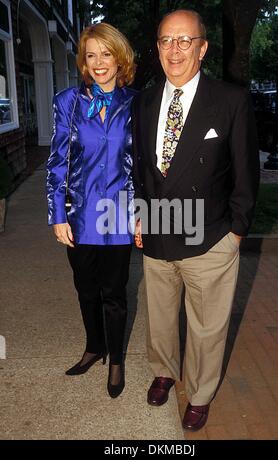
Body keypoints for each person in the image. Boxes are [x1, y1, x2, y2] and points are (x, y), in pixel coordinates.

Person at [132, 9, 260, 430]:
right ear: (157, 47)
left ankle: (201, 393)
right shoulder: (145, 100)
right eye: (166, 40)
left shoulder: (230, 100)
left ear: (202, 48)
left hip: (210, 238)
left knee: (206, 329)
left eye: (185, 40)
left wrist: (236, 232)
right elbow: (140, 169)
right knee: (161, 315)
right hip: (158, 230)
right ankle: (164, 371)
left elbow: (246, 173)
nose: (175, 49)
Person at [46, 23, 136, 398]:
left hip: (118, 213)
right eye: (91, 55)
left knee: (114, 292)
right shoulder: (68, 102)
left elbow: (143, 164)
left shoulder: (137, 103)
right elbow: (57, 161)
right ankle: (93, 347)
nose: (99, 62)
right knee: (85, 288)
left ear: (120, 58)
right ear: (83, 62)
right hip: (80, 214)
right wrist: (57, 214)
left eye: (106, 53)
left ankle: (115, 359)